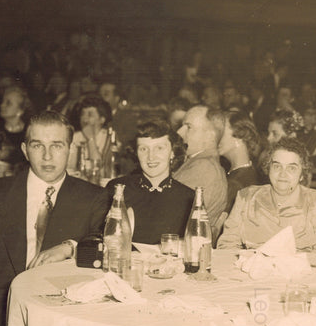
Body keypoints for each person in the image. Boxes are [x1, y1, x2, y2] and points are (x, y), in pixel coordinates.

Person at [0, 110, 110, 326]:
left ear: (71, 149)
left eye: (57, 145)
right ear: (25, 150)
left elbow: (109, 244)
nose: (47, 156)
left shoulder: (93, 197)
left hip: (62, 320)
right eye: (37, 146)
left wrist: (70, 246)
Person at [218, 137, 316, 253]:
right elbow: (227, 244)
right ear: (268, 169)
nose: (282, 174)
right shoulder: (247, 197)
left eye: (291, 168)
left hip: (299, 268)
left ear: (302, 175)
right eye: (277, 166)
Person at [105, 120, 194, 245]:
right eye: (143, 149)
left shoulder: (188, 198)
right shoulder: (117, 189)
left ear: (172, 152)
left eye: (159, 148)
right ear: (136, 153)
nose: (151, 157)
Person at [174, 105, 228, 233]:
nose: (179, 132)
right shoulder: (199, 163)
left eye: (189, 127)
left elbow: (170, 213)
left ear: (210, 136)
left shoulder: (204, 168)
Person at [220, 111, 262, 212]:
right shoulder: (248, 172)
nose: (216, 138)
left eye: (221, 133)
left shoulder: (237, 183)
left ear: (239, 136)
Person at [67, 93, 114, 178]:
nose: (84, 118)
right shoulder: (74, 137)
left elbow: (101, 170)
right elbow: (69, 167)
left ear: (102, 119)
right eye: (82, 114)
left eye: (90, 114)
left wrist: (90, 139)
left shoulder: (109, 138)